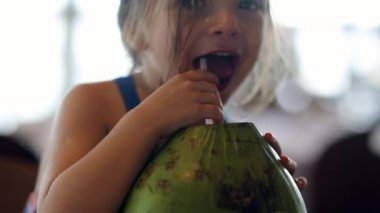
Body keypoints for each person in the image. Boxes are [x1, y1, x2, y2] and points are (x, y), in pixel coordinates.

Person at [29, 0, 307, 212]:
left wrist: (265, 190)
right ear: (135, 30)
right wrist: (148, 121)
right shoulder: (95, 103)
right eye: (193, 2)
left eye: (248, 3)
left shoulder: (224, 130)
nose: (228, 23)